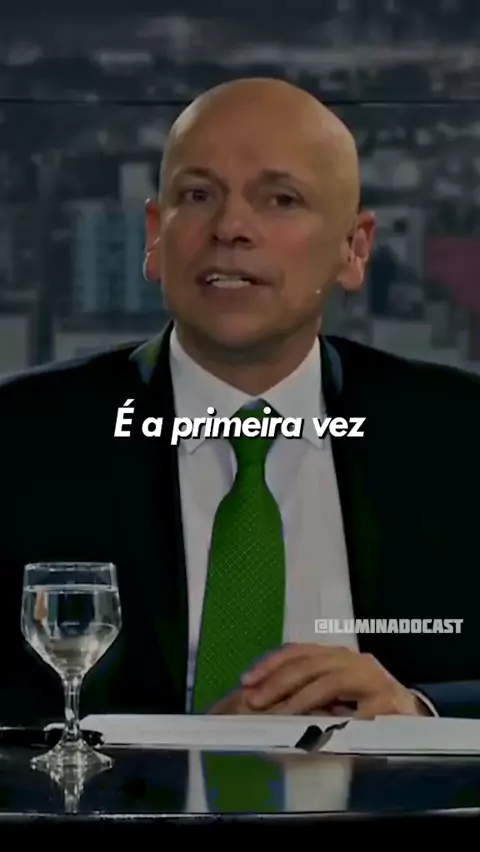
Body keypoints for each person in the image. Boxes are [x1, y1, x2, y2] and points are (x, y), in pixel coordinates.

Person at [1, 77, 479, 727]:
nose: (230, 228)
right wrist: (176, 748)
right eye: (198, 196)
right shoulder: (21, 439)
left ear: (354, 248)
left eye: (281, 199)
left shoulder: (460, 434)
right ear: (155, 236)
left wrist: (420, 711)